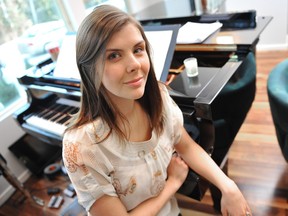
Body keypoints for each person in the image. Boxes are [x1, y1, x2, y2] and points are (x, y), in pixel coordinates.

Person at [62, 4, 252, 216]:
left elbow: (186, 146)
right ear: (89, 69)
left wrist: (228, 186)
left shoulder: (159, 99)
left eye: (138, 49)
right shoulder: (80, 148)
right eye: (114, 56)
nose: (135, 64)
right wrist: (173, 183)